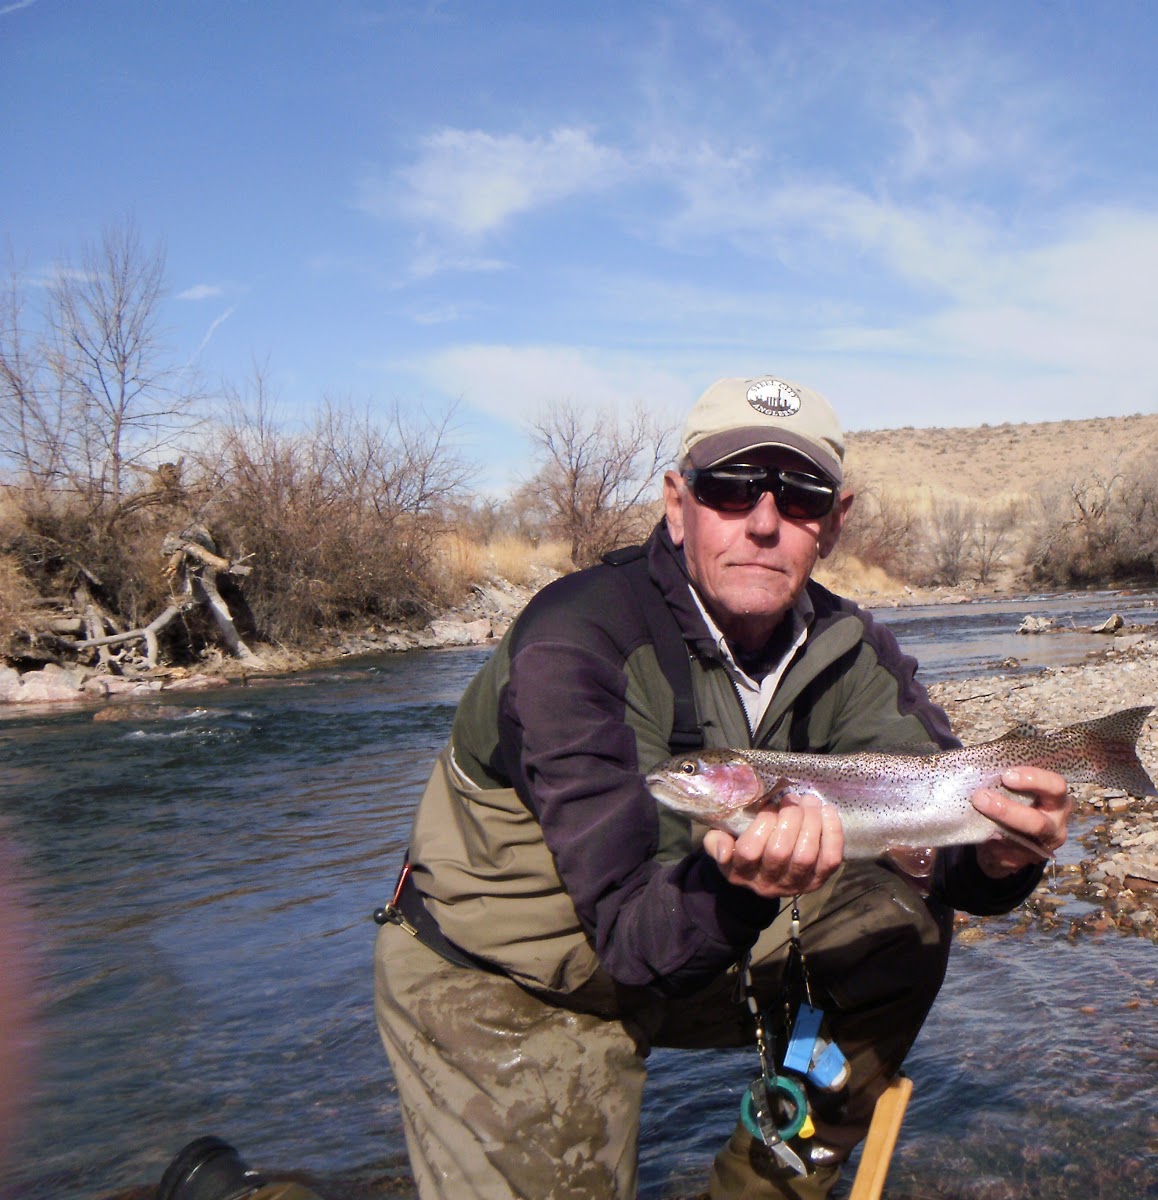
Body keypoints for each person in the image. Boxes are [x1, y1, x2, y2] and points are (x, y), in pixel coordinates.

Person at [372, 376, 1073, 1200]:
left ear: (835, 523)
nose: (765, 522)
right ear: (679, 503)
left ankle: (763, 1184)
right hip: (506, 980)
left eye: (801, 495)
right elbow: (633, 942)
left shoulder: (849, 650)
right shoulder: (577, 639)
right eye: (732, 488)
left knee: (899, 923)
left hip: (696, 937)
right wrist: (747, 893)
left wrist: (998, 857)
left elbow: (937, 839)